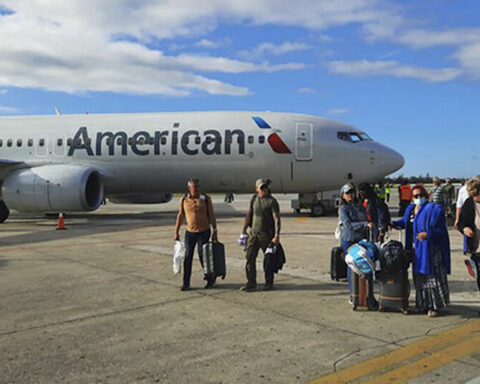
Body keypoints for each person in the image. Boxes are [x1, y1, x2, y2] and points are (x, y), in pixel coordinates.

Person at [392, 184, 450, 317]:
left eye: (421, 195)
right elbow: (405, 222)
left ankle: (434, 306)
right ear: (412, 198)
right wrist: (393, 224)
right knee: (419, 279)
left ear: (426, 195)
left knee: (432, 279)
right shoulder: (411, 209)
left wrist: (428, 234)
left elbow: (441, 230)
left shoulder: (434, 209)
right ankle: (422, 304)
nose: (418, 198)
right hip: (415, 249)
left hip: (431, 250)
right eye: (415, 196)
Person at [174, 177, 218, 291]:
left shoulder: (205, 199)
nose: (197, 189)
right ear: (190, 188)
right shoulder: (184, 199)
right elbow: (180, 215)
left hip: (203, 232)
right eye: (195, 187)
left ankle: (210, 279)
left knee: (203, 255)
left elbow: (211, 215)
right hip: (190, 233)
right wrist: (176, 231)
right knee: (188, 257)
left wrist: (215, 231)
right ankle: (186, 283)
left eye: (198, 186)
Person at [240, 179, 281, 292]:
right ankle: (251, 282)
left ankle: (269, 282)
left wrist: (276, 235)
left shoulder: (271, 201)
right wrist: (243, 230)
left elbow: (276, 219)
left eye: (265, 187)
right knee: (249, 257)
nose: (264, 189)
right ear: (257, 189)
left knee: (268, 260)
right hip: (253, 233)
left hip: (266, 235)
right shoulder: (254, 199)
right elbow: (249, 215)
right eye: (261, 187)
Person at [338, 183, 374, 302]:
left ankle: (364, 293)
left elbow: (366, 218)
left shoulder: (360, 206)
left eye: (352, 192)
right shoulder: (343, 209)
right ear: (343, 195)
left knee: (364, 265)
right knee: (353, 265)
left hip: (361, 239)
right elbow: (348, 225)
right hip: (349, 240)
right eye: (347, 193)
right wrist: (364, 225)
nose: (350, 195)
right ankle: (353, 294)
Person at [457, 177, 480, 314]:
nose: (476, 197)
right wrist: (465, 229)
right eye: (474, 195)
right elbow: (462, 223)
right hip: (476, 247)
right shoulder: (469, 203)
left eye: (477, 194)